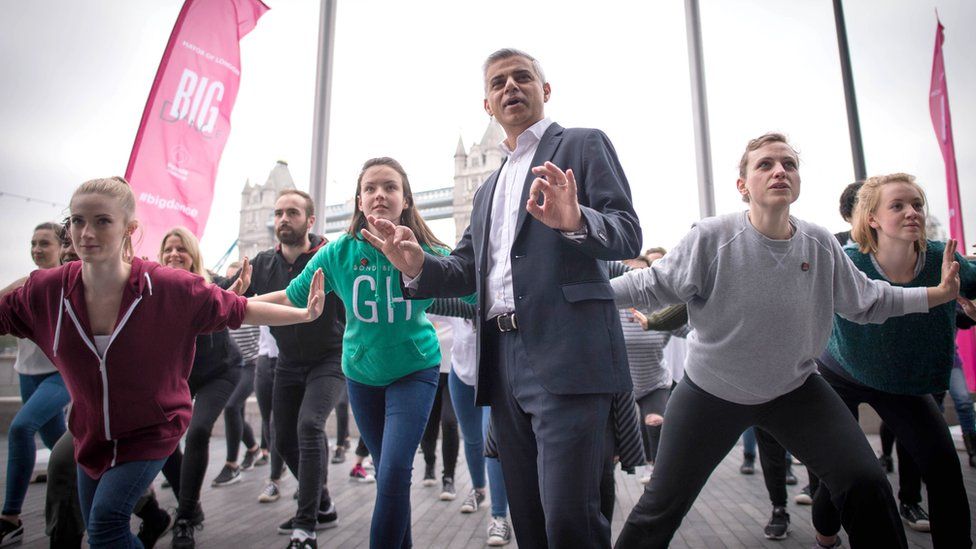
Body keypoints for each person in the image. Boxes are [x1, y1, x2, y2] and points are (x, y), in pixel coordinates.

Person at [610, 134, 962, 549]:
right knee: (660, 507)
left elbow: (867, 300)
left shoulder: (819, 243)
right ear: (743, 186)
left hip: (795, 389)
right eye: (765, 165)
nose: (780, 171)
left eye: (789, 165)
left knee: (866, 483)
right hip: (711, 392)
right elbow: (651, 284)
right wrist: (572, 296)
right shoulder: (712, 236)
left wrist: (936, 295)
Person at [362, 48, 641, 548]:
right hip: (502, 361)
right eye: (498, 83)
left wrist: (577, 220)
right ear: (487, 105)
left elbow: (627, 233)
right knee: (529, 521)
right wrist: (416, 266)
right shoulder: (488, 188)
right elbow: (466, 268)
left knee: (571, 519)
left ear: (545, 90)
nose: (510, 87)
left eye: (521, 77)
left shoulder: (582, 145)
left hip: (569, 353)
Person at [0, 176, 324, 549]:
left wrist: (303, 314)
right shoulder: (47, 290)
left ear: (129, 229)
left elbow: (242, 308)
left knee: (105, 525)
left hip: (150, 432)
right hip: (92, 436)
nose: (86, 232)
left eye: (102, 221)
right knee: (101, 528)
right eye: (77, 221)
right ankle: (163, 517)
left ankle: (188, 510)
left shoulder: (166, 287)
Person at [254, 157, 472, 549]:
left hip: (415, 371)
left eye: (389, 187)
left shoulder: (428, 248)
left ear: (405, 199)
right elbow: (291, 297)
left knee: (390, 475)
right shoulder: (338, 254)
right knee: (392, 482)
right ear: (359, 201)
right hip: (361, 376)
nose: (379, 195)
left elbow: (473, 288)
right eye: (370, 188)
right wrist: (229, 306)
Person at [810, 173, 974, 549]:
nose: (911, 212)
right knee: (844, 473)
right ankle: (825, 527)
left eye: (917, 204)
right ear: (872, 218)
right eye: (897, 206)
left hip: (899, 380)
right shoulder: (848, 262)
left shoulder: (943, 260)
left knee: (945, 469)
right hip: (840, 374)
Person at [232, 188, 347, 548]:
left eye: (293, 213)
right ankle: (322, 502)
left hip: (330, 359)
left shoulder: (331, 257)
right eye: (279, 212)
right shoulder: (263, 264)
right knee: (281, 438)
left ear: (310, 221)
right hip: (288, 362)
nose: (283, 218)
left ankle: (305, 525)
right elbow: (226, 296)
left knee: (310, 425)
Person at [157, 227, 248, 549]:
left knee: (197, 432)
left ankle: (184, 518)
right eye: (168, 249)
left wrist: (239, 289)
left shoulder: (211, 284)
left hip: (220, 372)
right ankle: (190, 504)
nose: (173, 255)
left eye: (181, 249)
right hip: (178, 376)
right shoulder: (153, 291)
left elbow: (235, 295)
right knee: (163, 438)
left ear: (193, 254)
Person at [0, 223, 72, 547]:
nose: (37, 249)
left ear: (61, 248)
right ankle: (143, 503)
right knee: (64, 449)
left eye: (45, 243)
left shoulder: (70, 285)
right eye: (33, 243)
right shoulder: (21, 286)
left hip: (60, 375)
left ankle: (10, 519)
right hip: (28, 374)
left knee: (20, 428)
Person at [213, 261, 264, 487]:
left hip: (254, 365)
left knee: (232, 407)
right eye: (230, 280)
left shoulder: (251, 304)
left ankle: (232, 465)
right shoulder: (223, 305)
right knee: (236, 412)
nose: (235, 284)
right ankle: (253, 449)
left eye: (239, 279)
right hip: (235, 365)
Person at [420, 315, 460, 500]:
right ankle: (429, 464)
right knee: (429, 424)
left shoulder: (457, 307)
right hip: (430, 371)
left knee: (450, 422)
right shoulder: (430, 307)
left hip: (454, 374)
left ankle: (449, 477)